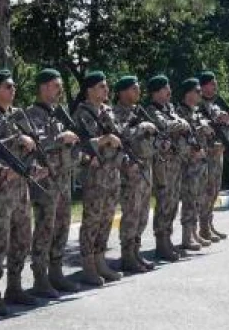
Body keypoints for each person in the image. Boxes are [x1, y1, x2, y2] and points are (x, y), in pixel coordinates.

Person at [0, 70, 42, 313]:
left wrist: (31, 160)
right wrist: (6, 169)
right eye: (7, 86)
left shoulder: (18, 114)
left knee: (23, 236)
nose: (12, 90)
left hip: (20, 187)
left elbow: (36, 142)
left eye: (13, 86)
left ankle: (15, 286)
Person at [24, 68, 81, 294]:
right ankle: (40, 277)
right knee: (45, 228)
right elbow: (36, 144)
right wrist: (60, 138)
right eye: (56, 86)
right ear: (44, 87)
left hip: (63, 179)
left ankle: (56, 272)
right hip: (45, 181)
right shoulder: (31, 114)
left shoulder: (60, 112)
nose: (60, 90)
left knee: (62, 226)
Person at [73, 71, 124, 286]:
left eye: (106, 86)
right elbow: (79, 143)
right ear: (90, 90)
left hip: (112, 172)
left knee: (106, 218)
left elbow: (119, 135)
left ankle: (100, 258)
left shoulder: (108, 110)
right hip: (94, 174)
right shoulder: (82, 112)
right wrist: (103, 140)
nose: (106, 90)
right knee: (92, 220)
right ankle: (88, 264)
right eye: (102, 86)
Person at [112, 75, 158, 273]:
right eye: (134, 88)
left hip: (145, 169)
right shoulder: (115, 113)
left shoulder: (139, 111)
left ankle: (136, 252)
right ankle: (127, 255)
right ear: (123, 92)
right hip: (130, 172)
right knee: (131, 214)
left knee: (142, 214)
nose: (138, 92)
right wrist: (141, 128)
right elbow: (120, 136)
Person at [145, 75, 191, 262]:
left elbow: (181, 124)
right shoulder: (150, 110)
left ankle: (168, 239)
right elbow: (164, 126)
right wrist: (181, 125)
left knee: (173, 202)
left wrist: (181, 125)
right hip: (163, 163)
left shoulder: (169, 108)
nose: (169, 92)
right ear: (156, 92)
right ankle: (161, 243)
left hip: (176, 161)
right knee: (164, 201)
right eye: (165, 89)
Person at [176, 78, 212, 251]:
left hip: (201, 161)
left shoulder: (197, 111)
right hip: (189, 163)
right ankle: (186, 236)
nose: (200, 94)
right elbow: (181, 138)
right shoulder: (180, 113)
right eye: (197, 91)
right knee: (189, 199)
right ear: (188, 93)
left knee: (198, 199)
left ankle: (194, 232)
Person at [197, 72, 229, 241]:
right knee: (206, 191)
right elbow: (200, 130)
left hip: (218, 154)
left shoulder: (216, 105)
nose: (215, 86)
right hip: (206, 155)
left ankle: (209, 224)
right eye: (212, 83)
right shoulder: (197, 106)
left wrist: (225, 124)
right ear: (203, 86)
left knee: (214, 190)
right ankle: (203, 228)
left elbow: (226, 129)